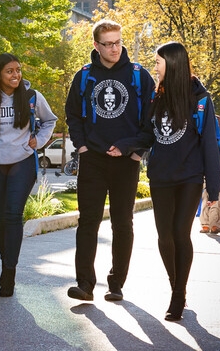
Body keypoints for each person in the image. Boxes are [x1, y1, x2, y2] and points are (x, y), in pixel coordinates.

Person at [108, 42, 220, 321]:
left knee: (180, 235)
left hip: (189, 178)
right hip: (161, 177)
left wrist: (214, 189)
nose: (154, 66)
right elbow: (148, 134)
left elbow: (209, 145)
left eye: (158, 61)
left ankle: (178, 295)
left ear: (171, 63)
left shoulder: (201, 100)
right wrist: (125, 146)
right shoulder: (157, 97)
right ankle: (176, 284)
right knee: (164, 237)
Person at [65, 19, 155, 303]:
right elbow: (73, 115)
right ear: (96, 45)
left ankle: (116, 283)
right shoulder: (84, 77)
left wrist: (135, 150)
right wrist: (81, 147)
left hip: (127, 161)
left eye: (118, 42)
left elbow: (151, 121)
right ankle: (85, 284)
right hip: (93, 160)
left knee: (122, 223)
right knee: (88, 222)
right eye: (108, 44)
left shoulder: (140, 76)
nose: (115, 48)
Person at [0, 53, 57, 297]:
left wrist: (37, 141)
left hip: (22, 161)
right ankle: (4, 262)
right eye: (10, 71)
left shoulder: (31, 97)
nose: (16, 75)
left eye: (18, 70)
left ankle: (9, 271)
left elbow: (50, 120)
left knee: (12, 214)